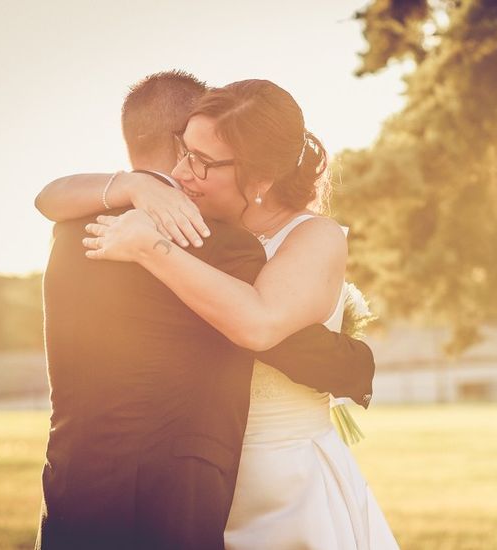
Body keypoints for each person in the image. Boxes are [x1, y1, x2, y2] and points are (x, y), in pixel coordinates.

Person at [35, 71, 375, 550]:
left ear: (260, 178)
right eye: (184, 151)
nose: (180, 173)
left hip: (279, 479)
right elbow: (48, 197)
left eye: (202, 161)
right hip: (198, 481)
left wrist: (149, 246)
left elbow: (258, 323)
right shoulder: (184, 213)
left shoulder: (305, 237)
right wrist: (133, 184)